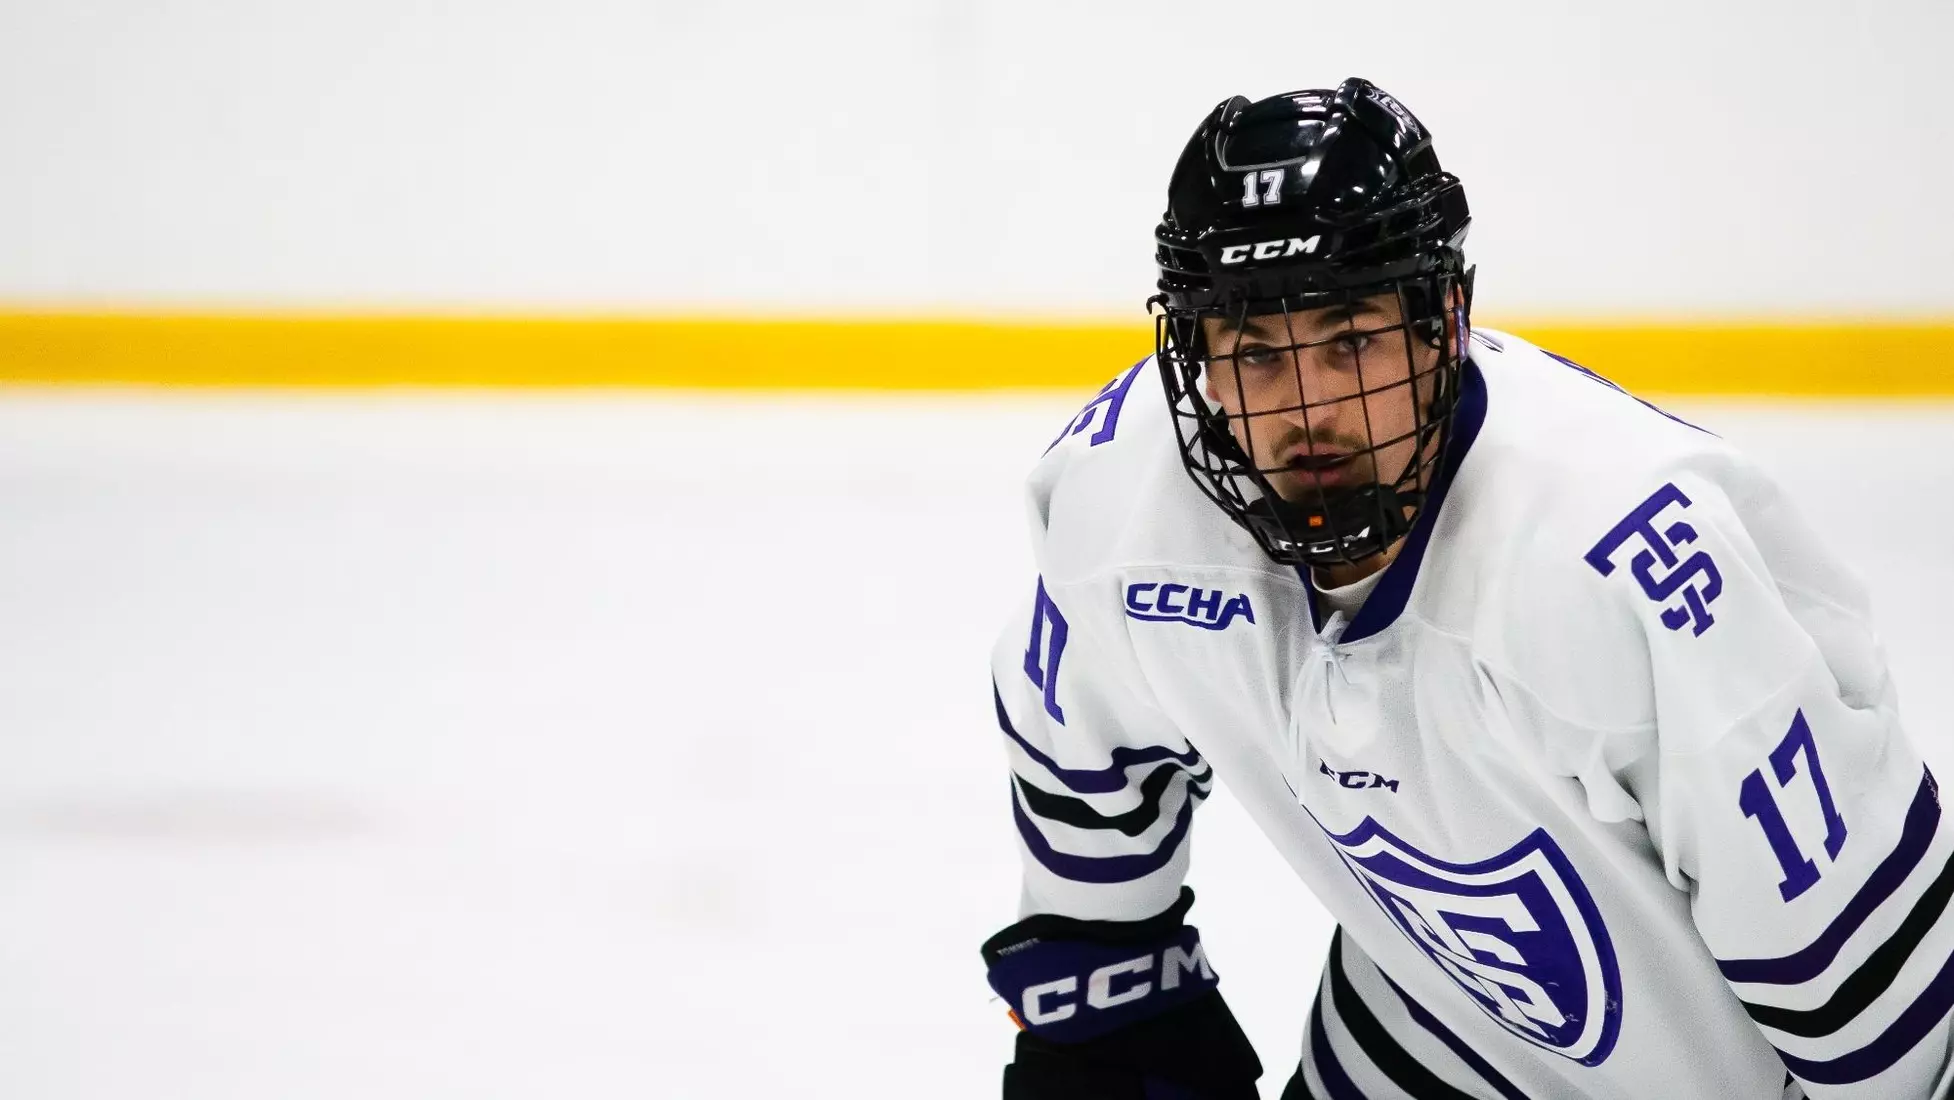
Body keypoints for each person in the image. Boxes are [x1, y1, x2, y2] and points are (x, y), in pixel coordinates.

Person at [980, 77, 1954, 1099]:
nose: (1306, 407)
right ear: (1198, 365)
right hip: (1426, 1041)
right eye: (1255, 352)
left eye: (1348, 339)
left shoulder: (1608, 567)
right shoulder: (1128, 509)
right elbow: (1079, 756)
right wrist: (1111, 1005)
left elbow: (1879, 1011)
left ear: (1440, 323)